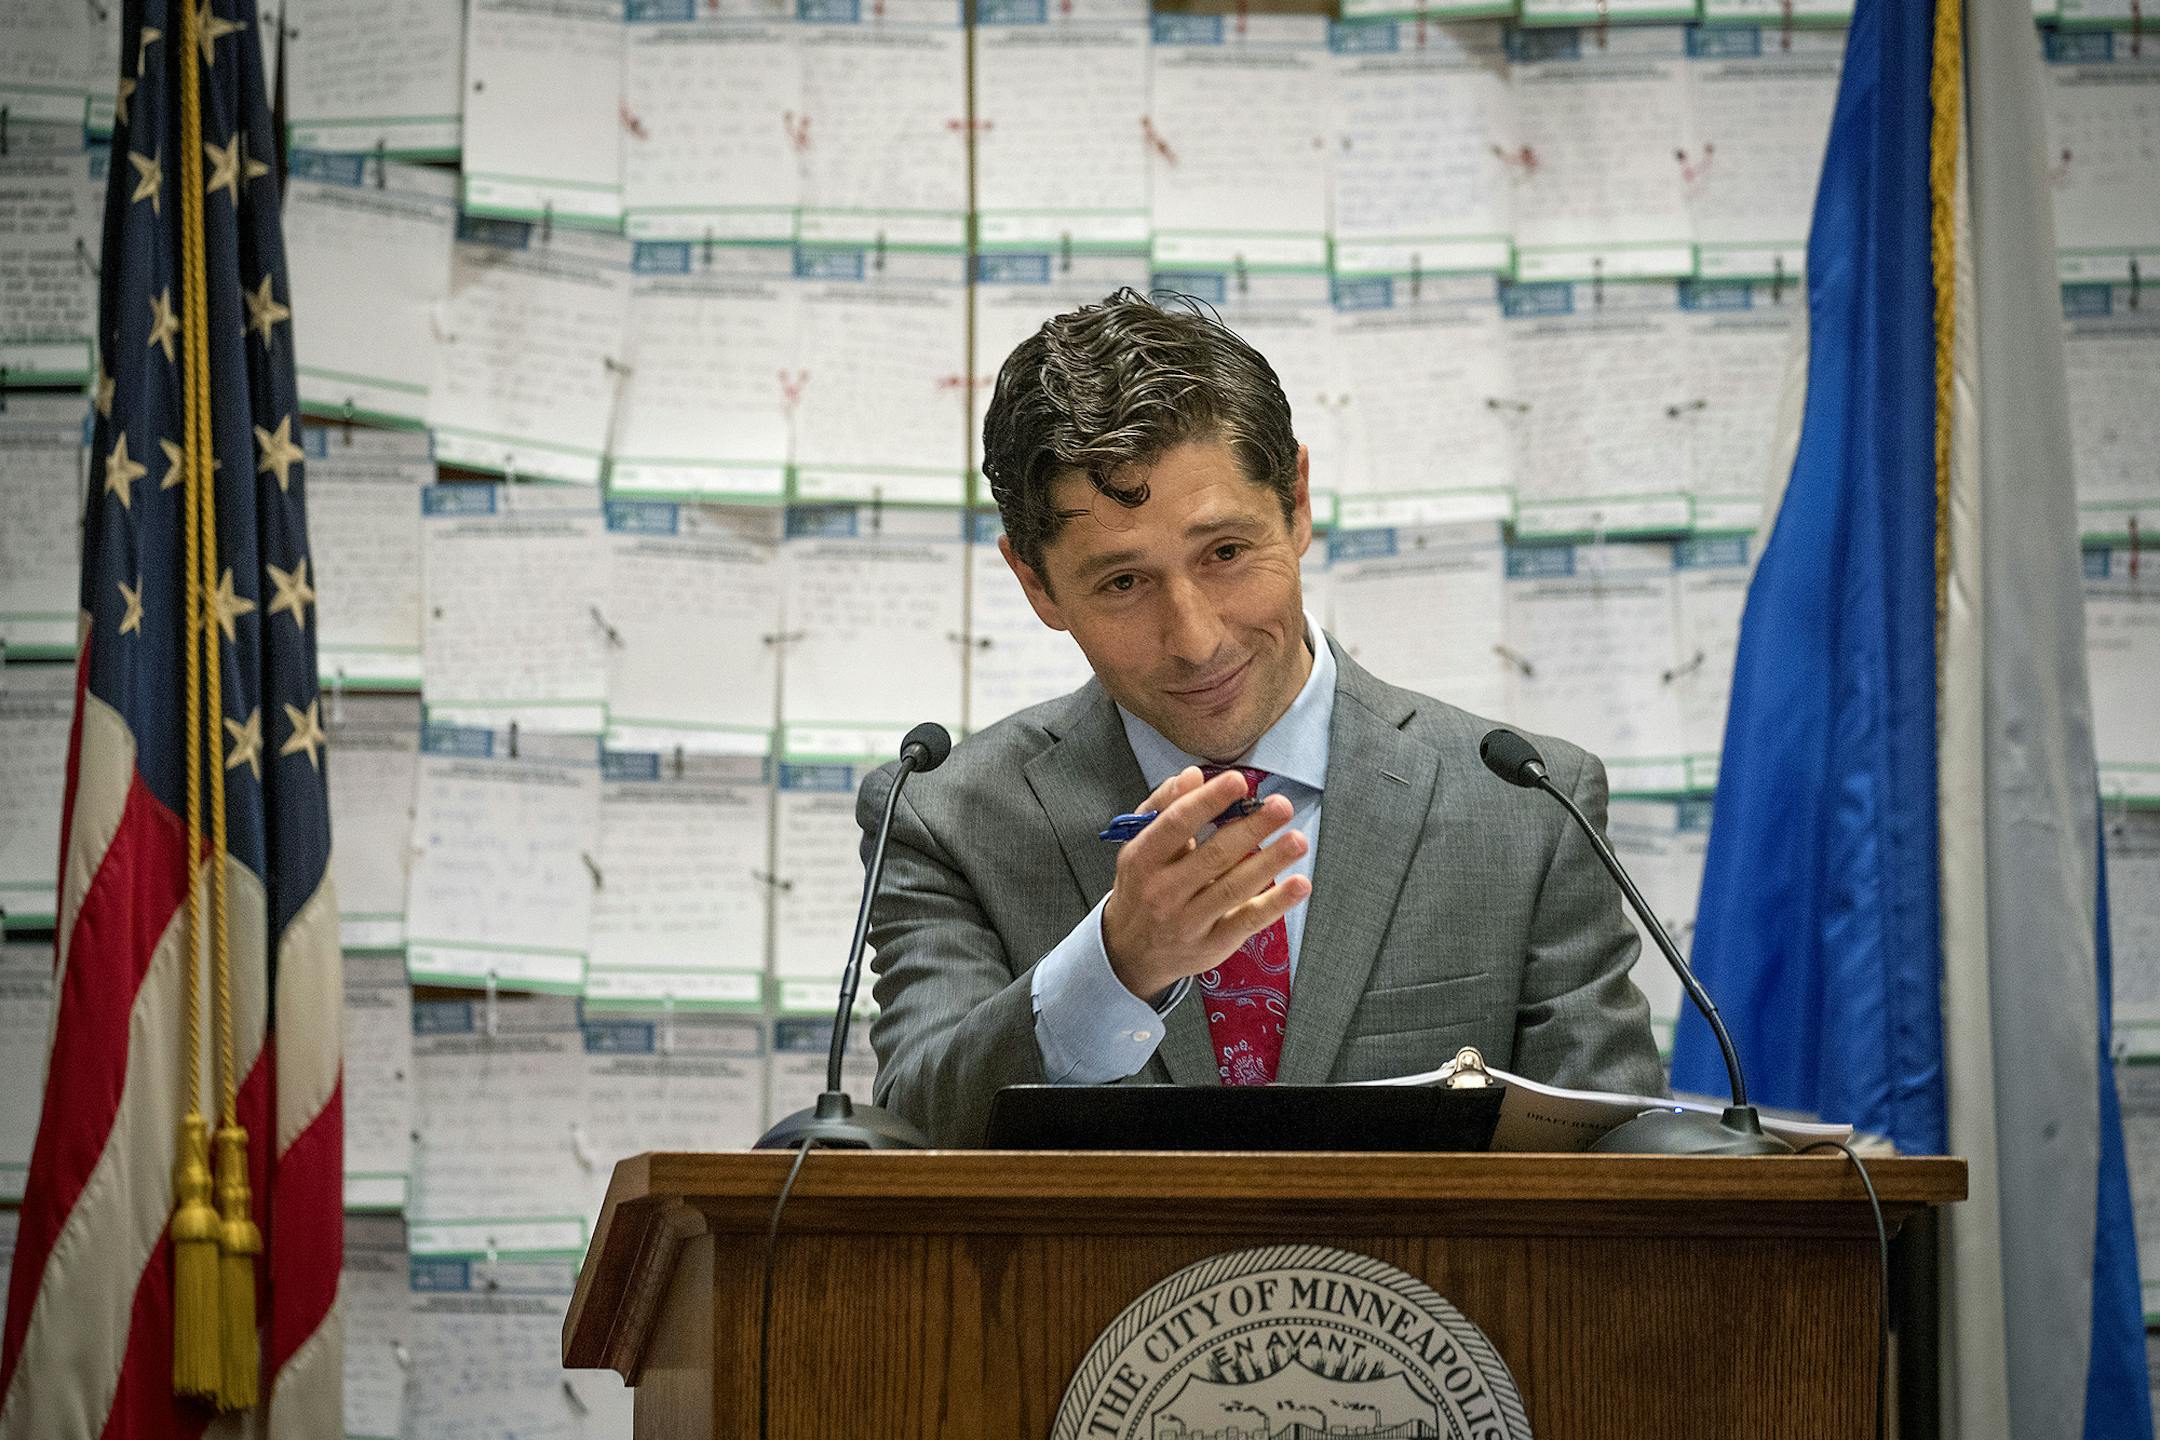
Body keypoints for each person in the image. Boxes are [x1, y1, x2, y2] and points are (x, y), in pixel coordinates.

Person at [857, 289, 1664, 1147]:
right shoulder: (944, 819)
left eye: (1227, 554)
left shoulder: (1528, 806)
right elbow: (908, 1137)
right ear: (1036, 584)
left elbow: (1622, 1180)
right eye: (1123, 583)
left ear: (1299, 501)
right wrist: (1117, 966)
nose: (1197, 641)